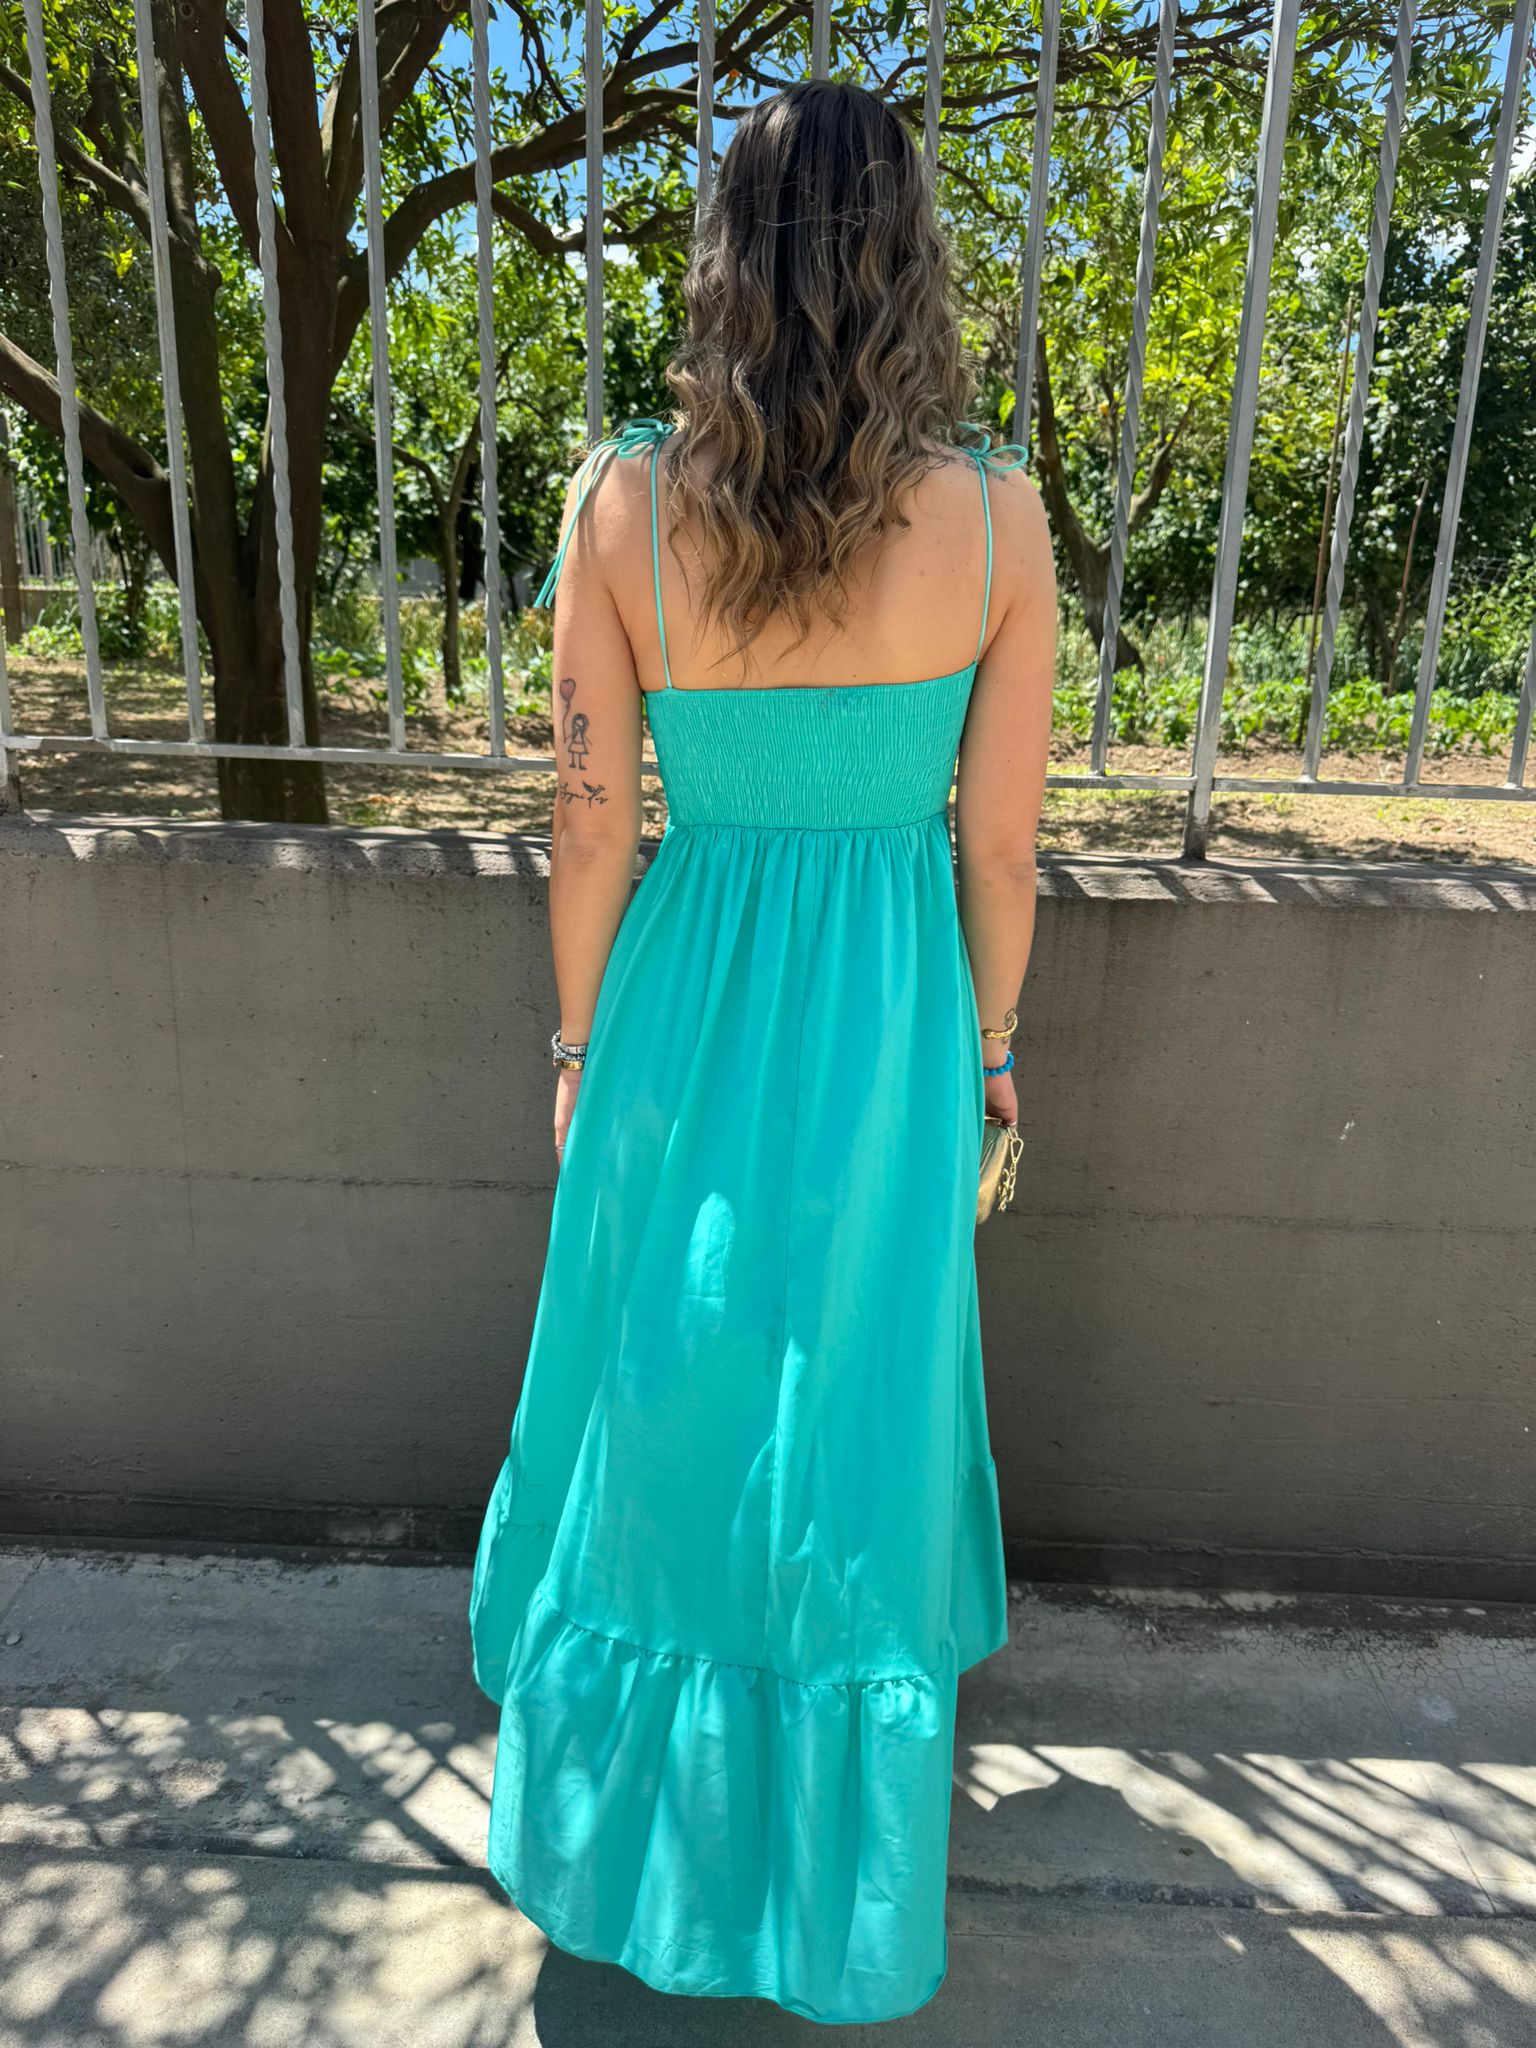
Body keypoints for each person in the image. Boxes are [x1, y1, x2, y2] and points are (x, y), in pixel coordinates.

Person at [469, 76, 1057, 2027]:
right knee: (855, 1410)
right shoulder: (998, 521)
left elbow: (588, 831)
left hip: (682, 1008)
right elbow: (996, 850)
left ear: (722, 262)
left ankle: (630, 1846)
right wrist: (990, 1051)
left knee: (673, 1395)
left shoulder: (623, 506)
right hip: (890, 1021)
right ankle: (824, 1876)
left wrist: (577, 1046)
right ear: (914, 269)